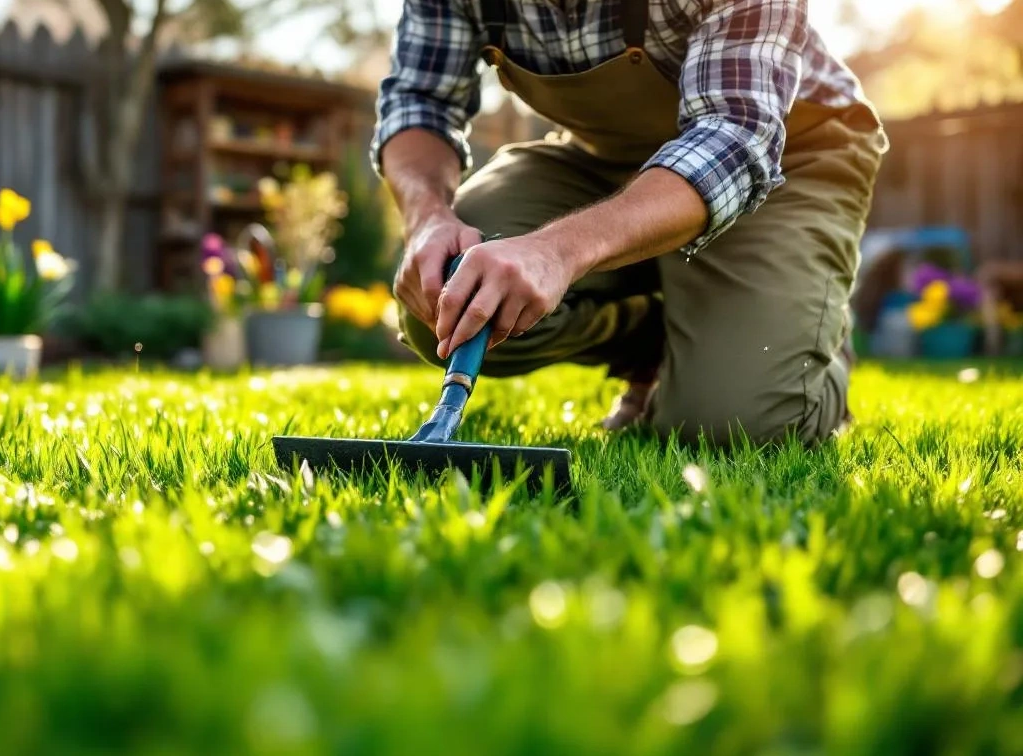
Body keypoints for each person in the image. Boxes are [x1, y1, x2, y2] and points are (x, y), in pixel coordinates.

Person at [376, 0, 888, 444]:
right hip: (605, 159)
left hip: (784, 161)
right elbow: (419, 100)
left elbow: (734, 138)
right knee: (446, 296)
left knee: (734, 424)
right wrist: (427, 221)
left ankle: (810, 337)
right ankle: (656, 339)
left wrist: (556, 251)